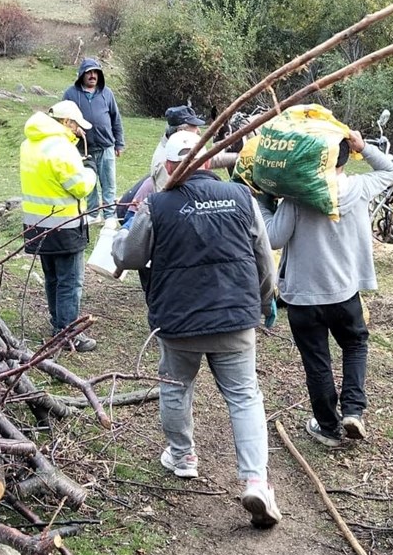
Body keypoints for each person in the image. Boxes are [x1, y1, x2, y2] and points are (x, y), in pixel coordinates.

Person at [112, 130, 282, 530]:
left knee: (175, 387)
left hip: (178, 321)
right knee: (244, 396)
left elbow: (130, 256)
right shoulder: (241, 197)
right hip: (234, 318)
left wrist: (120, 234)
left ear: (170, 165)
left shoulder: (157, 203)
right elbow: (264, 259)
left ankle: (183, 456)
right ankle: (256, 481)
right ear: (208, 161)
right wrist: (263, 302)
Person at [259, 131, 393, 447]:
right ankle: (353, 410)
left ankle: (328, 428)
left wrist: (264, 204)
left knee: (317, 361)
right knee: (355, 345)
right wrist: (364, 147)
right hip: (345, 293)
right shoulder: (361, 188)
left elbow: (274, 238)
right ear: (346, 156)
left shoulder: (297, 196)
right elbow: (390, 171)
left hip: (303, 298)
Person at [20, 100, 99, 353]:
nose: (78, 130)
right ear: (66, 122)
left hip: (37, 224)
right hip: (65, 225)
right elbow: (80, 187)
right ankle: (68, 334)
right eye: (76, 125)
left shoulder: (30, 143)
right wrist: (90, 169)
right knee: (70, 282)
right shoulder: (61, 148)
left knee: (52, 277)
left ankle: (57, 323)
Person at [62, 58, 124, 223]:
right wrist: (74, 129)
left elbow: (116, 119)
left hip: (106, 147)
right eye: (89, 72)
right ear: (81, 75)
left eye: (95, 72)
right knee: (88, 183)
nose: (92, 76)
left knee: (109, 184)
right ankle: (93, 214)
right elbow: (63, 119)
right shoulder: (70, 94)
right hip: (83, 148)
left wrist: (119, 143)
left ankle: (109, 216)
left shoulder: (107, 93)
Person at [149, 104, 205, 192]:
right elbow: (165, 196)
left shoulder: (176, 150)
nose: (198, 131)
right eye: (194, 126)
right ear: (180, 131)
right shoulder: (164, 160)